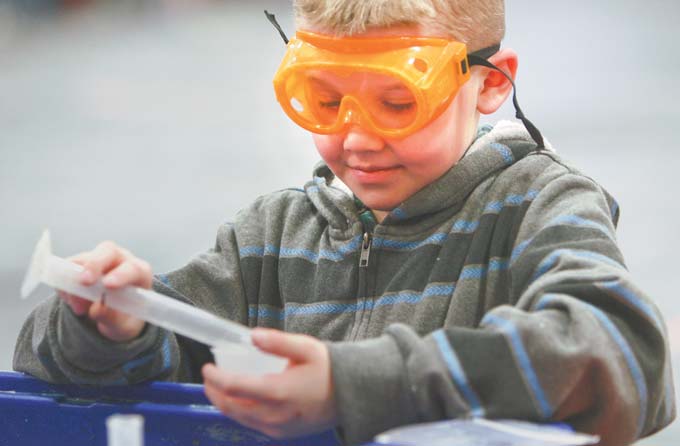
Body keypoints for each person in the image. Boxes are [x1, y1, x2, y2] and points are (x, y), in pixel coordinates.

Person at [13, 1, 676, 445]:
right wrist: (113, 324)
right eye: (325, 100)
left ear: (491, 83)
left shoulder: (539, 206)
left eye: (396, 102)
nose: (355, 140)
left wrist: (352, 386)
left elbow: (628, 355)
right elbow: (67, 372)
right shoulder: (270, 238)